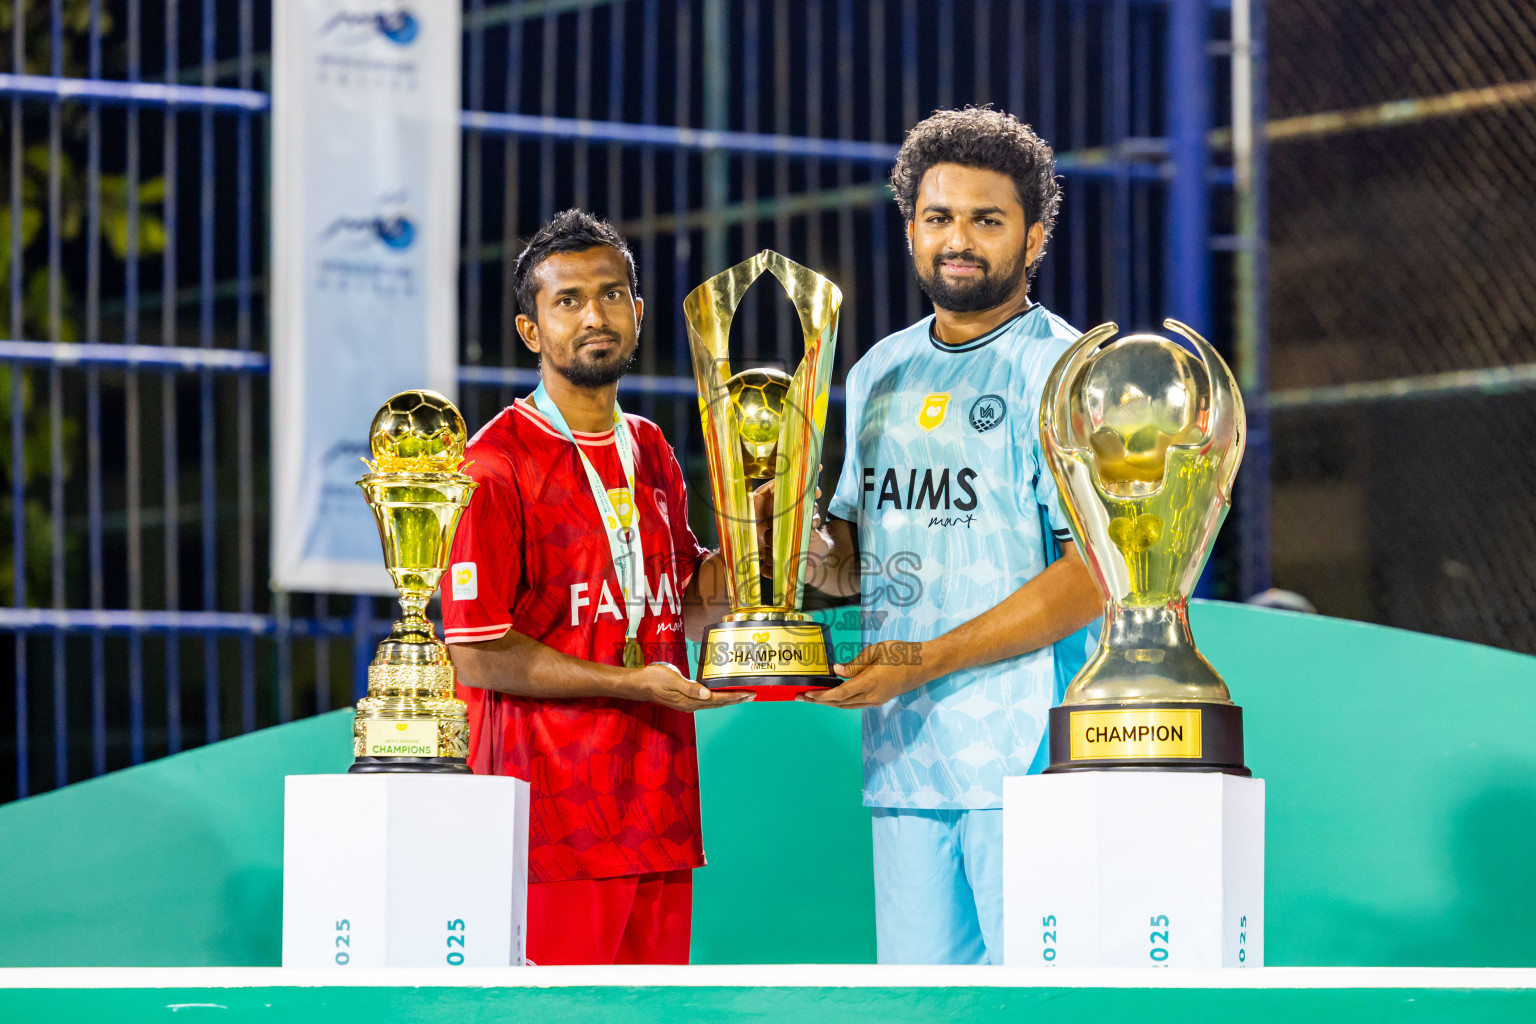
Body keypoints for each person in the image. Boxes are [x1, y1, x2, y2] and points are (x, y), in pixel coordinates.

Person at [803, 107, 1103, 965]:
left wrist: (930, 658)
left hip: (1031, 758)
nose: (958, 240)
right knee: (919, 1009)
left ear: (1034, 237)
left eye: (986, 220)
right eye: (938, 217)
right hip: (904, 754)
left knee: (1037, 1010)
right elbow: (857, 564)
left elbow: (1093, 575)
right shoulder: (877, 371)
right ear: (911, 229)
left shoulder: (1065, 369)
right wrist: (796, 540)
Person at [442, 209, 748, 966]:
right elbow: (477, 653)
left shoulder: (650, 447)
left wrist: (762, 539)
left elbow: (685, 608)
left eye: (611, 295)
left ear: (637, 311)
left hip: (659, 812)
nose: (594, 317)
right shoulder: (494, 465)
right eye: (568, 300)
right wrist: (630, 684)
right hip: (551, 827)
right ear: (530, 329)